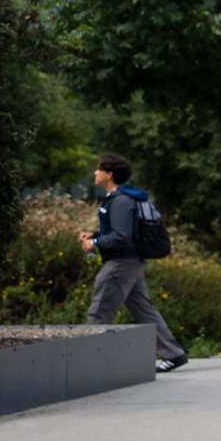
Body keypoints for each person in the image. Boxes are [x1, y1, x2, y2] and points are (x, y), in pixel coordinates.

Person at [81, 153, 187, 372]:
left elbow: (121, 237)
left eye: (99, 169)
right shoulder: (120, 198)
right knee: (144, 311)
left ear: (109, 174)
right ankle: (173, 354)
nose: (95, 172)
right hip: (130, 263)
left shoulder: (120, 201)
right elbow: (120, 231)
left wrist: (95, 243)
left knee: (99, 313)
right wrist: (94, 234)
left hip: (120, 265)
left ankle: (87, 365)